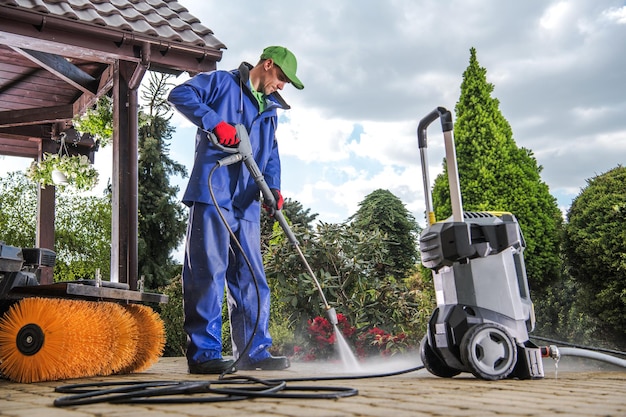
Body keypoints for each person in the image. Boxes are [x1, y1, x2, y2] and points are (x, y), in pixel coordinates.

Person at [168, 46, 304, 374]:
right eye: (281, 77)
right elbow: (180, 94)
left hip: (247, 200)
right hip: (213, 190)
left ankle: (254, 352)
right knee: (207, 272)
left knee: (251, 277)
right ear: (267, 64)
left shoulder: (269, 109)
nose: (282, 85)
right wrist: (215, 123)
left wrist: (273, 187)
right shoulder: (221, 83)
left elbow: (269, 153)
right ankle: (204, 355)